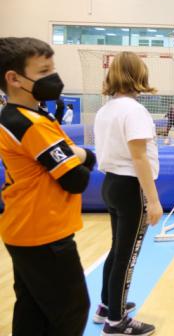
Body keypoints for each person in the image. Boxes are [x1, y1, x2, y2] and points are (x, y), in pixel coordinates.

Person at [0, 37, 95, 335]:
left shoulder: (16, 116)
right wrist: (85, 154)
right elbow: (76, 179)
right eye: (43, 71)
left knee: (32, 311)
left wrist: (77, 155)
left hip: (22, 229)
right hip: (45, 234)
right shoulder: (32, 125)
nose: (52, 78)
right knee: (71, 312)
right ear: (14, 79)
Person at [93, 51, 162, 336]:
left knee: (117, 249)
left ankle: (107, 307)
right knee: (127, 255)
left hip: (110, 183)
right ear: (139, 75)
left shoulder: (106, 109)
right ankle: (116, 322)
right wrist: (154, 200)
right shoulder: (134, 111)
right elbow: (139, 157)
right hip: (130, 186)